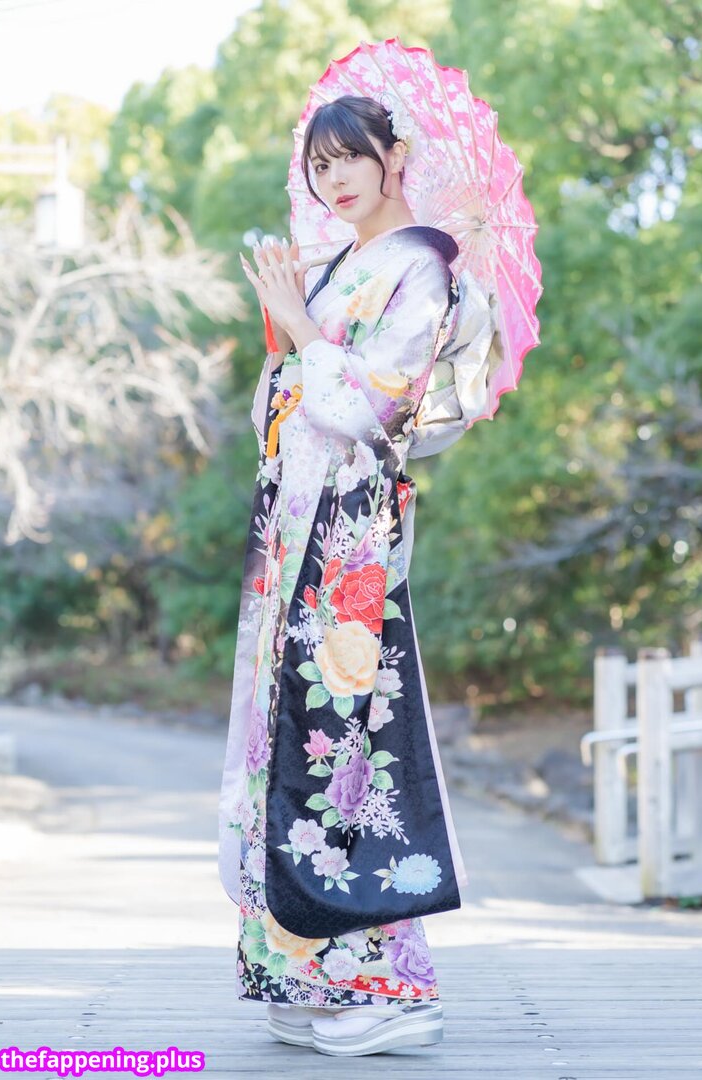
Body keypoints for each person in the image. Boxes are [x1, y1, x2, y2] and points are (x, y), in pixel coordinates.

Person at [218, 94, 496, 1058]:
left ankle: (388, 984)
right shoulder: (342, 265)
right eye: (320, 164)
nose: (333, 178)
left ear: (395, 154)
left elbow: (378, 405)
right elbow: (289, 401)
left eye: (350, 158)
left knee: (348, 743)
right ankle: (304, 969)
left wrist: (305, 331)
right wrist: (286, 335)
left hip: (350, 533)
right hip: (298, 524)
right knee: (285, 736)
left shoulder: (423, 267)